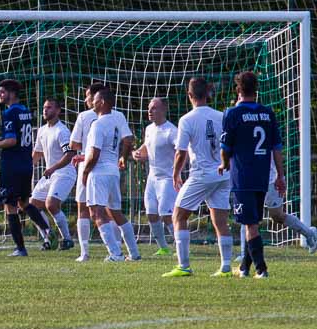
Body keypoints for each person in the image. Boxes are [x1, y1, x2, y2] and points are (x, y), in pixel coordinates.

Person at [163, 77, 232, 278]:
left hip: (202, 174)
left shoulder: (187, 119)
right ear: (207, 94)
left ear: (190, 95)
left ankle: (183, 266)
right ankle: (226, 267)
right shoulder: (221, 116)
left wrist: (175, 174)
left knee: (178, 215)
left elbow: (181, 152)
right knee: (220, 220)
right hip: (223, 173)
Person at [220, 72, 285, 278]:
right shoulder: (267, 113)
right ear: (256, 89)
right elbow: (276, 148)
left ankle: (261, 269)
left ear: (238, 90)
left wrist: (224, 163)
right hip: (262, 176)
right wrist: (280, 175)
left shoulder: (232, 114)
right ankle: (243, 268)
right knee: (253, 222)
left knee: (250, 224)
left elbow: (225, 147)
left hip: (243, 177)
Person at [0, 79, 52, 257]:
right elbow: (17, 135)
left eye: (2, 92)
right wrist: (0, 139)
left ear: (12, 93)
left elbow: (12, 140)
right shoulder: (25, 111)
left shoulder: (9, 112)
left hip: (12, 165)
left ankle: (20, 248)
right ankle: (47, 230)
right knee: (24, 203)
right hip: (25, 164)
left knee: (10, 206)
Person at [70, 83, 133, 261]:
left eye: (89, 96)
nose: (87, 100)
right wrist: (122, 157)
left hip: (92, 166)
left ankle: (88, 252)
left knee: (86, 208)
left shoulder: (86, 117)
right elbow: (128, 139)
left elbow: (75, 144)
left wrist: (86, 154)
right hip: (111, 168)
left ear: (98, 98)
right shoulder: (117, 116)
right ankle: (128, 251)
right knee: (113, 210)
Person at [236, 157, 317, 260]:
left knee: (277, 216)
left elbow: (276, 152)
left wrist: (280, 176)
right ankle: (244, 254)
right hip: (250, 180)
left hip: (271, 180)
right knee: (248, 216)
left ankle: (309, 233)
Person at [132, 97, 178, 256]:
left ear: (164, 110)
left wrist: (178, 171)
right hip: (152, 177)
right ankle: (163, 247)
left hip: (167, 178)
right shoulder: (149, 129)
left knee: (166, 214)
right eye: (149, 108)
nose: (150, 111)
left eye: (154, 108)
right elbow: (147, 145)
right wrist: (137, 153)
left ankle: (181, 246)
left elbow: (182, 151)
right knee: (151, 214)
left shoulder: (171, 131)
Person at [29, 98, 76, 251]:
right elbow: (37, 153)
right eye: (44, 107)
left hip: (64, 173)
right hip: (51, 173)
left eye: (49, 107)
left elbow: (69, 155)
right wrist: (25, 168)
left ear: (58, 111)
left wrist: (53, 168)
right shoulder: (42, 130)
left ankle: (67, 239)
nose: (45, 110)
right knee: (32, 206)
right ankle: (49, 238)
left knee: (51, 204)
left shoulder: (62, 131)